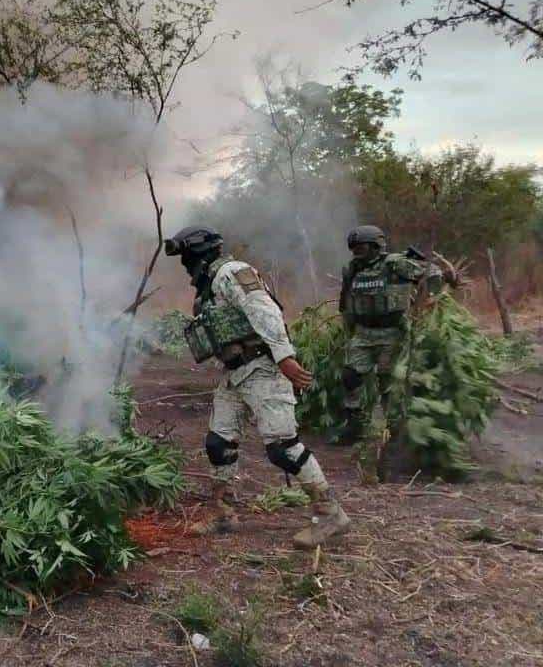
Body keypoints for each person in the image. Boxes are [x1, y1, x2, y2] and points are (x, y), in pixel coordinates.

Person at [165, 225, 349, 549]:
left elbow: (265, 311)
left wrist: (284, 357)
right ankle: (224, 513)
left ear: (196, 254)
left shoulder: (231, 273)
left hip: (263, 368)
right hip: (236, 373)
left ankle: (330, 513)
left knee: (283, 447)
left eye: (185, 257)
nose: (184, 265)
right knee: (219, 444)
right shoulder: (211, 284)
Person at [337, 225, 443, 482]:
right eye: (354, 249)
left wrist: (427, 301)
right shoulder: (352, 269)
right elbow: (346, 302)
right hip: (363, 333)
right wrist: (348, 330)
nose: (357, 253)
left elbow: (432, 273)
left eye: (361, 248)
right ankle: (353, 421)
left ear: (376, 246)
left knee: (388, 384)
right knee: (350, 375)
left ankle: (392, 434)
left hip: (392, 333)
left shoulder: (395, 264)